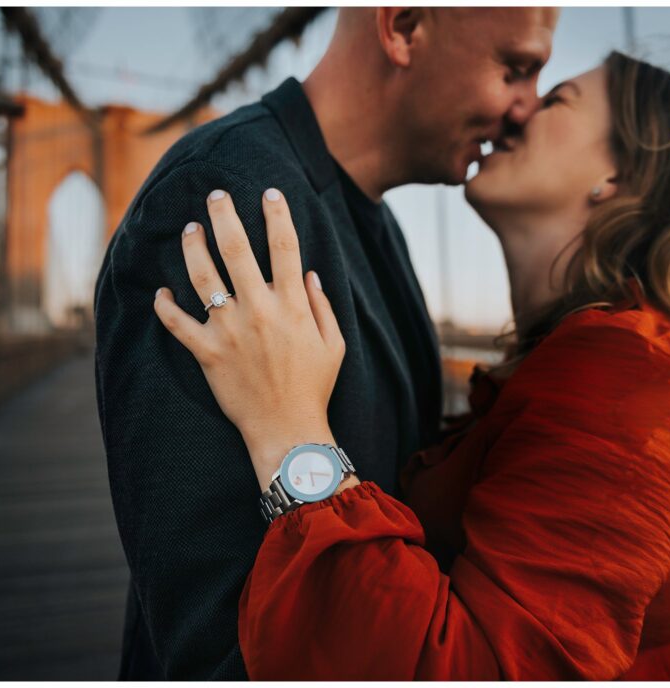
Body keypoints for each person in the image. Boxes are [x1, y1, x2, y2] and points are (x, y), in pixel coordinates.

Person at [152, 50, 670, 679]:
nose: (516, 109)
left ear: (617, 177)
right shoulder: (590, 362)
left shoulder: (638, 373)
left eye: (555, 98)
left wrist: (290, 433)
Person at [93, 7, 559, 680]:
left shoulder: (377, 221)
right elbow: (213, 643)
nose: (528, 108)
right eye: (516, 68)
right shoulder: (224, 199)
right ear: (402, 26)